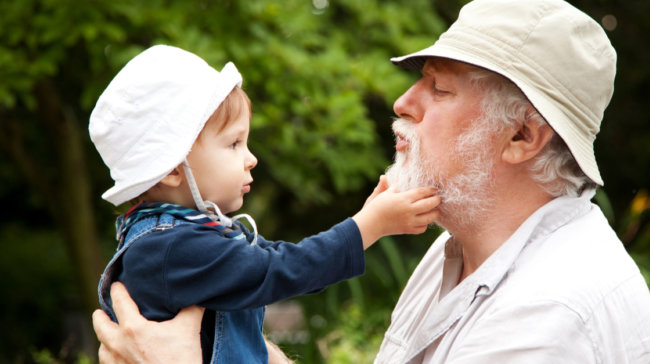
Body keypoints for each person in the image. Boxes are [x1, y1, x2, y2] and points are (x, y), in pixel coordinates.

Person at [92, 0, 650, 362]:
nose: (403, 101)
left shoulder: (549, 319)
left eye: (439, 89)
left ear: (522, 136)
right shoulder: (456, 254)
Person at [89, 45, 440, 364]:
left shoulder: (194, 235)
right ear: (173, 169)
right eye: (233, 144)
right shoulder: (172, 248)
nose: (251, 158)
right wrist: (369, 226)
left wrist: (365, 219)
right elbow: (282, 269)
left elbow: (289, 261)